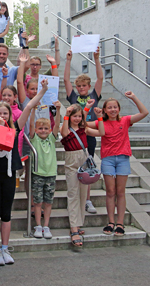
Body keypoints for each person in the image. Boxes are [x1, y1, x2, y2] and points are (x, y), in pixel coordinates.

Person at [0, 79, 49, 266]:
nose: (3, 115)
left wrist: (43, 90)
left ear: (10, 115)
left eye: (6, 113)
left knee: (7, 213)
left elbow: (29, 106)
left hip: (9, 174)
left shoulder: (15, 129)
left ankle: (5, 248)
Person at [87, 93, 148, 236]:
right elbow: (82, 124)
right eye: (110, 107)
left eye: (115, 107)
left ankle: (120, 223)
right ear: (105, 110)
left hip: (123, 159)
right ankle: (110, 222)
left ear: (119, 109)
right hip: (108, 159)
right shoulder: (101, 122)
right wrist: (88, 108)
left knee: (120, 192)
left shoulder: (125, 120)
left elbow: (144, 112)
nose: (113, 109)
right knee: (110, 192)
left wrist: (133, 97)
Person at [17, 53, 58, 219]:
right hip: (29, 141)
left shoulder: (46, 98)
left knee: (40, 175)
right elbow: (19, 81)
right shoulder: (25, 101)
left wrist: (54, 65)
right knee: (29, 173)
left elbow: (54, 84)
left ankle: (39, 205)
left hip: (44, 142)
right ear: (27, 91)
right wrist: (21, 64)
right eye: (32, 89)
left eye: (36, 89)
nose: (34, 91)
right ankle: (32, 204)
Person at [65, 48, 104, 214]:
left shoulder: (93, 95)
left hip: (88, 137)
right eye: (79, 86)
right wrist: (68, 60)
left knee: (88, 166)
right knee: (75, 167)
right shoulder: (73, 97)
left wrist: (97, 59)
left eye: (84, 86)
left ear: (89, 86)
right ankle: (76, 199)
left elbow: (101, 77)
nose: (81, 88)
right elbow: (66, 79)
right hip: (74, 138)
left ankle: (87, 200)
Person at [61, 103, 104, 247]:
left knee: (83, 193)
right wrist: (66, 116)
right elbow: (64, 133)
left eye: (79, 116)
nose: (77, 119)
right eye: (75, 116)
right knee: (73, 193)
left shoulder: (84, 129)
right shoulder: (67, 127)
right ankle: (74, 227)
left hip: (84, 159)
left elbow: (101, 133)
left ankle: (79, 223)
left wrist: (99, 118)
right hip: (72, 159)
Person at [29, 101, 61, 239]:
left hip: (50, 174)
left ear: (49, 129)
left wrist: (58, 110)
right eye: (40, 128)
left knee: (48, 202)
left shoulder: (52, 139)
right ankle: (38, 225)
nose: (43, 131)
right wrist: (33, 111)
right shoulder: (34, 138)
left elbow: (57, 125)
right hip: (37, 174)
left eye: (45, 128)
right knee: (38, 202)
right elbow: (30, 125)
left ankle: (46, 226)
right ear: (36, 130)